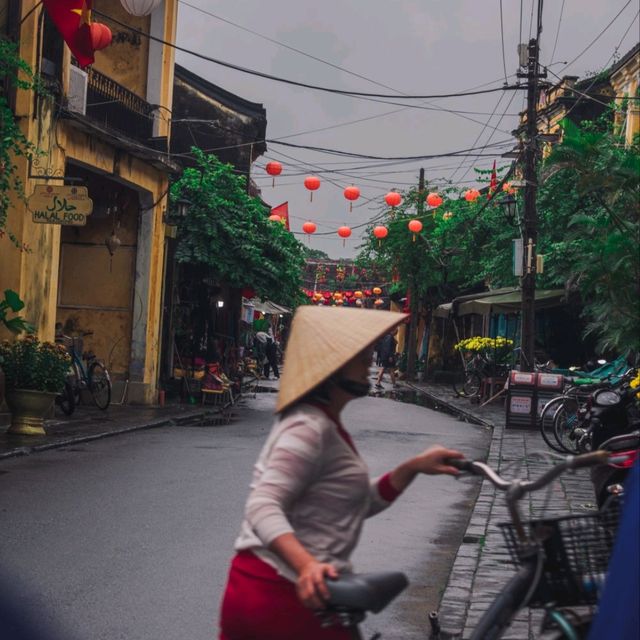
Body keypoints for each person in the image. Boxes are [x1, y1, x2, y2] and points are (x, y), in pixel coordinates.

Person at [218, 306, 463, 639]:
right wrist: (306, 566)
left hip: (292, 595)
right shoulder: (308, 428)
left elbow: (353, 504)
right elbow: (263, 505)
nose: (370, 360)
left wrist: (413, 467)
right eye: (360, 354)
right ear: (332, 365)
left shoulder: (325, 425)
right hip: (281, 594)